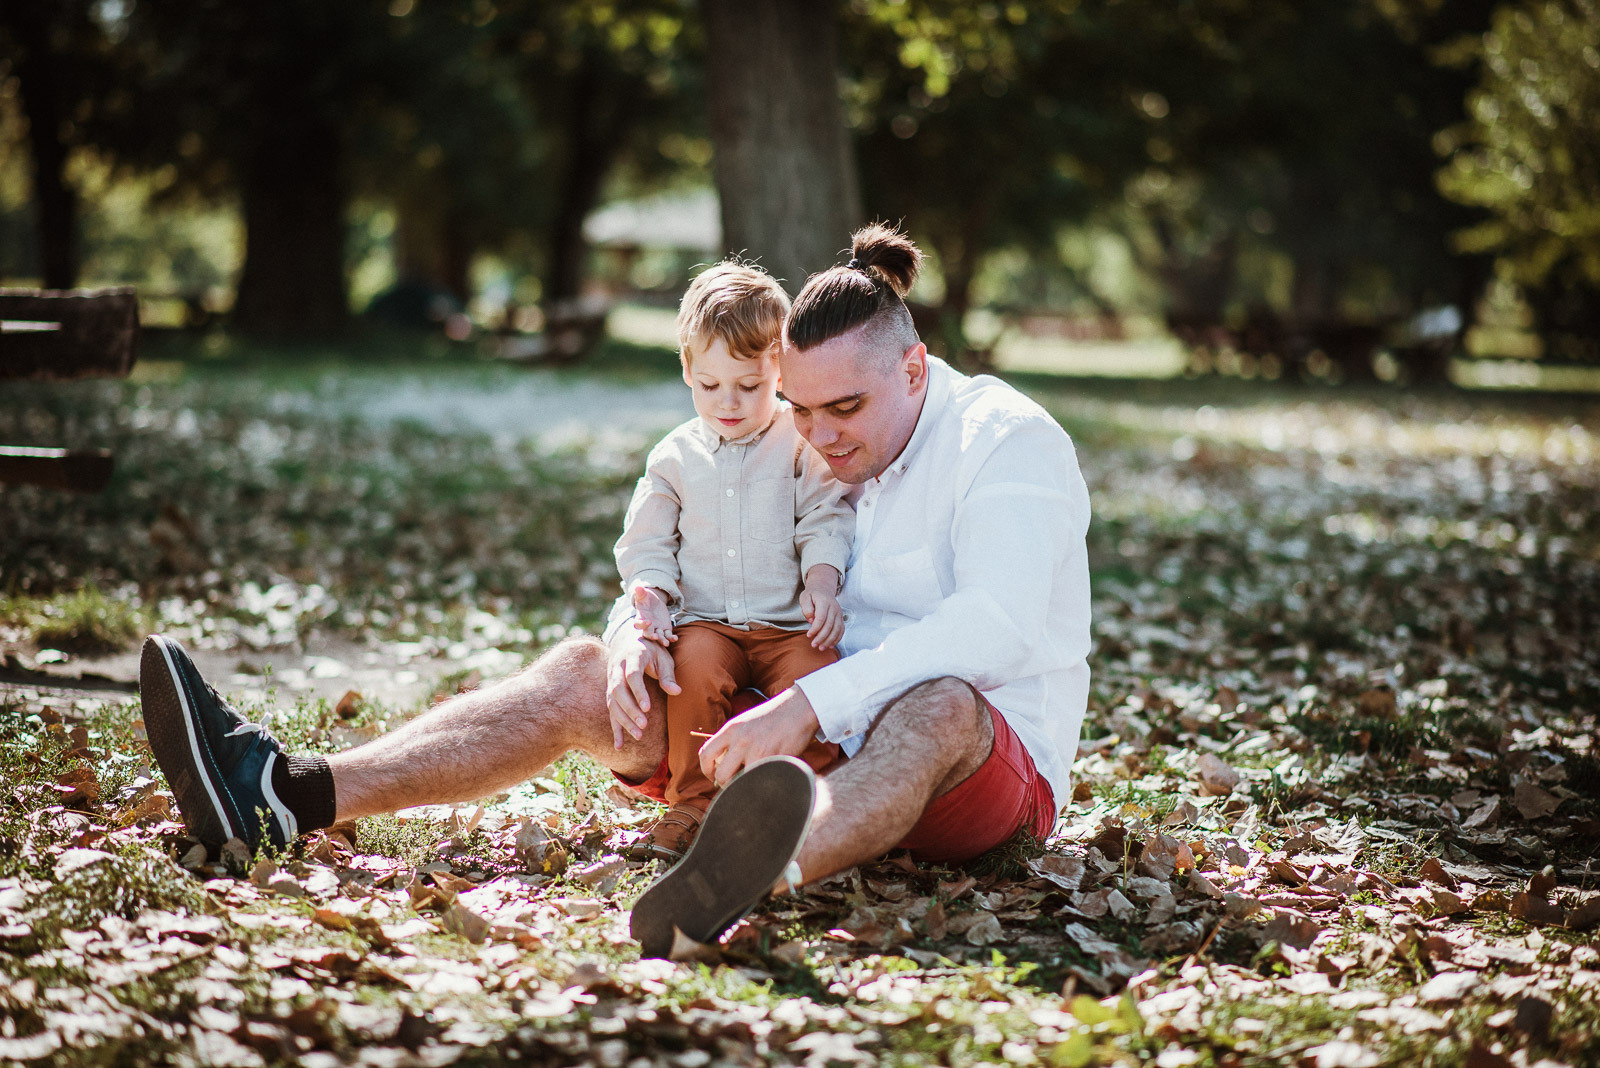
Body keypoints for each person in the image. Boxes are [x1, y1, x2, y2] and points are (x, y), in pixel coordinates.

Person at [137, 223, 1091, 961]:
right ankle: (283, 796)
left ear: (916, 367)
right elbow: (706, 548)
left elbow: (997, 628)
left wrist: (808, 703)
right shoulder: (809, 434)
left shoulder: (1006, 441)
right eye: (800, 409)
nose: (822, 435)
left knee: (936, 704)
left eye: (845, 408)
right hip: (792, 709)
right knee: (583, 673)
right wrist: (640, 629)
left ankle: (745, 870)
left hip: (974, 761)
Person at [614, 261, 852, 861]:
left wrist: (823, 582)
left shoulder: (798, 445)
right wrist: (648, 590)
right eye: (711, 385)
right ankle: (692, 803)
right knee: (688, 673)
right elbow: (647, 540)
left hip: (784, 625)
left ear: (780, 370)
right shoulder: (674, 457)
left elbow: (826, 518)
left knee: (818, 677)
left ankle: (819, 803)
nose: (729, 402)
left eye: (749, 386)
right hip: (706, 623)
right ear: (688, 370)